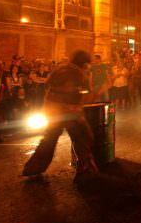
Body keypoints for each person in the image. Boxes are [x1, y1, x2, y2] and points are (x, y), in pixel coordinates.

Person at [22, 50, 98, 182]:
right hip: (69, 112)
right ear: (84, 63)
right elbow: (86, 94)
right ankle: (85, 169)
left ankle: (33, 168)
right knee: (85, 137)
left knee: (49, 139)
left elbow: (47, 85)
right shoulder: (79, 74)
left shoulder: (60, 69)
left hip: (52, 110)